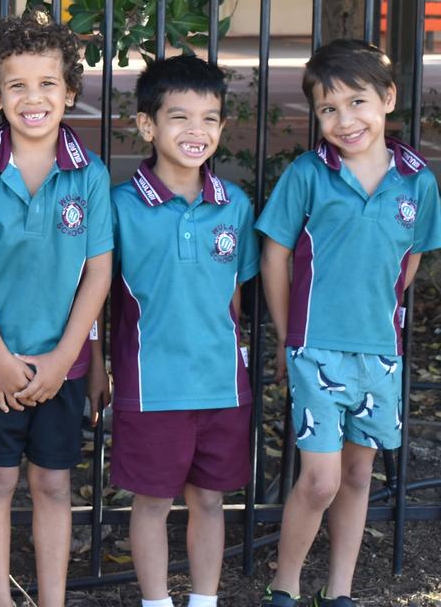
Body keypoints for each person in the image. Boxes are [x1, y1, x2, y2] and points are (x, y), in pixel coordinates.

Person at [256, 39, 441, 607]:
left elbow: (408, 262)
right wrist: (292, 340)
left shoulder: (416, 181)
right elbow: (274, 257)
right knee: (321, 480)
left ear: (386, 99)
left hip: (379, 353)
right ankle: (284, 587)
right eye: (328, 109)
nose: (344, 120)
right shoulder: (308, 174)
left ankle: (338, 592)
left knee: (359, 476)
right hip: (315, 350)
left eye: (357, 103)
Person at [0, 9, 112, 607]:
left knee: (54, 485)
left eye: (47, 85)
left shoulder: (88, 175)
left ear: (69, 92)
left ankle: (54, 599)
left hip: (61, 365)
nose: (32, 98)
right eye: (17, 85)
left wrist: (66, 359)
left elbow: (98, 273)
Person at [109, 55, 258, 607]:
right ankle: (155, 601)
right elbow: (100, 296)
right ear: (147, 126)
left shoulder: (234, 207)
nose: (197, 132)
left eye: (210, 119)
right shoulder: (122, 206)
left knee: (211, 502)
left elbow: (235, 298)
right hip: (152, 388)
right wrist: (103, 364)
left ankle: (204, 600)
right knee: (150, 503)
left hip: (221, 385)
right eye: (180, 118)